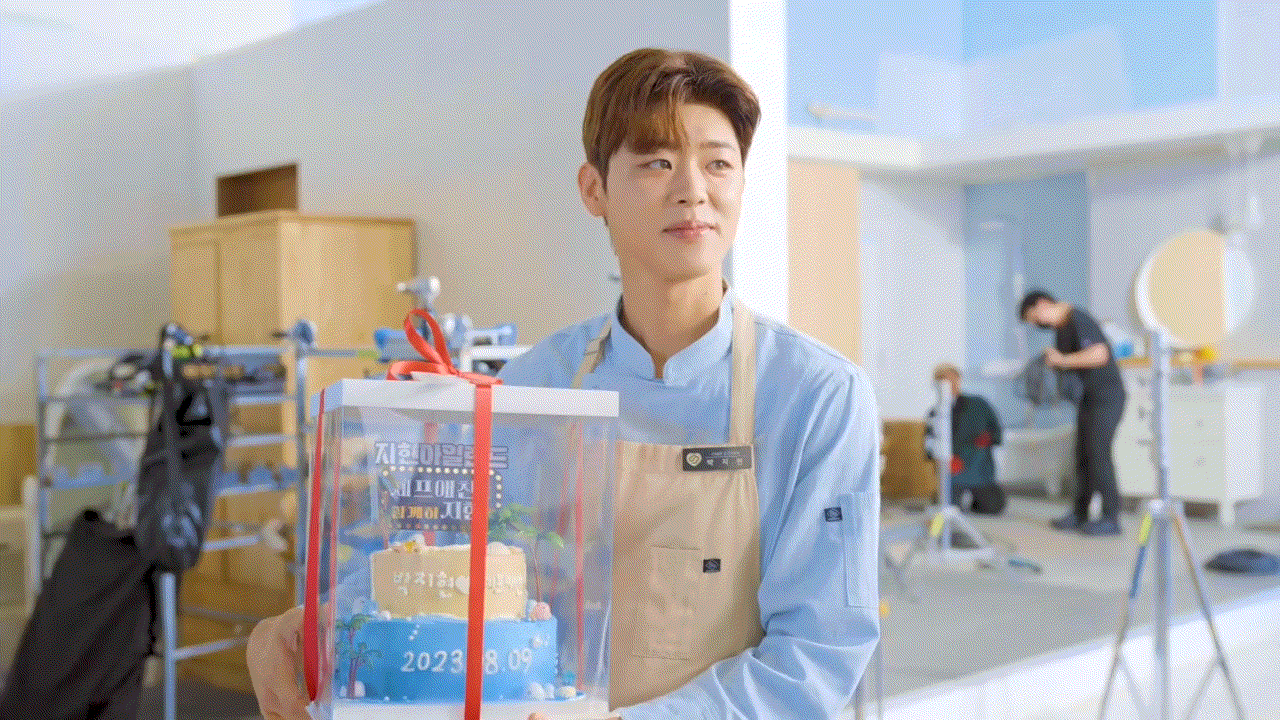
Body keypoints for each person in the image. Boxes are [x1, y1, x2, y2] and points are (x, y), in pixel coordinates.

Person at [247, 48, 881, 720]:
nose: (693, 189)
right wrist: (308, 625)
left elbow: (814, 659)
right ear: (593, 190)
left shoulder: (818, 398)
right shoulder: (537, 386)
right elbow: (450, 561)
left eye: (718, 163)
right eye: (657, 162)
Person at [1019, 290, 1127, 536]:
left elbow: (1100, 354)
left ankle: (1111, 517)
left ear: (1042, 304)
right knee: (1082, 455)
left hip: (1106, 397)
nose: (1036, 324)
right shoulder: (1062, 330)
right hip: (1088, 399)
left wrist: (1063, 360)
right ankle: (1080, 513)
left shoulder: (1078, 319)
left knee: (1098, 453)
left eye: (1034, 317)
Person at [925, 363, 1005, 516]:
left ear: (958, 380)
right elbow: (929, 446)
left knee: (992, 506)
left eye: (952, 380)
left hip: (979, 471)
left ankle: (976, 500)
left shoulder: (979, 405)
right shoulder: (934, 414)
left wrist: (986, 439)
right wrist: (944, 461)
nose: (948, 385)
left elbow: (997, 433)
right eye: (942, 381)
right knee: (947, 507)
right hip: (952, 474)